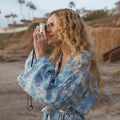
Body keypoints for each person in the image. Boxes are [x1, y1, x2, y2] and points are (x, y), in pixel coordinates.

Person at [17, 8, 101, 120]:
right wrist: (37, 49)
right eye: (46, 25)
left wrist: (41, 54)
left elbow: (55, 97)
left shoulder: (82, 59)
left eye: (52, 25)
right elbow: (30, 73)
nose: (47, 30)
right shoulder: (56, 58)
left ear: (68, 28)